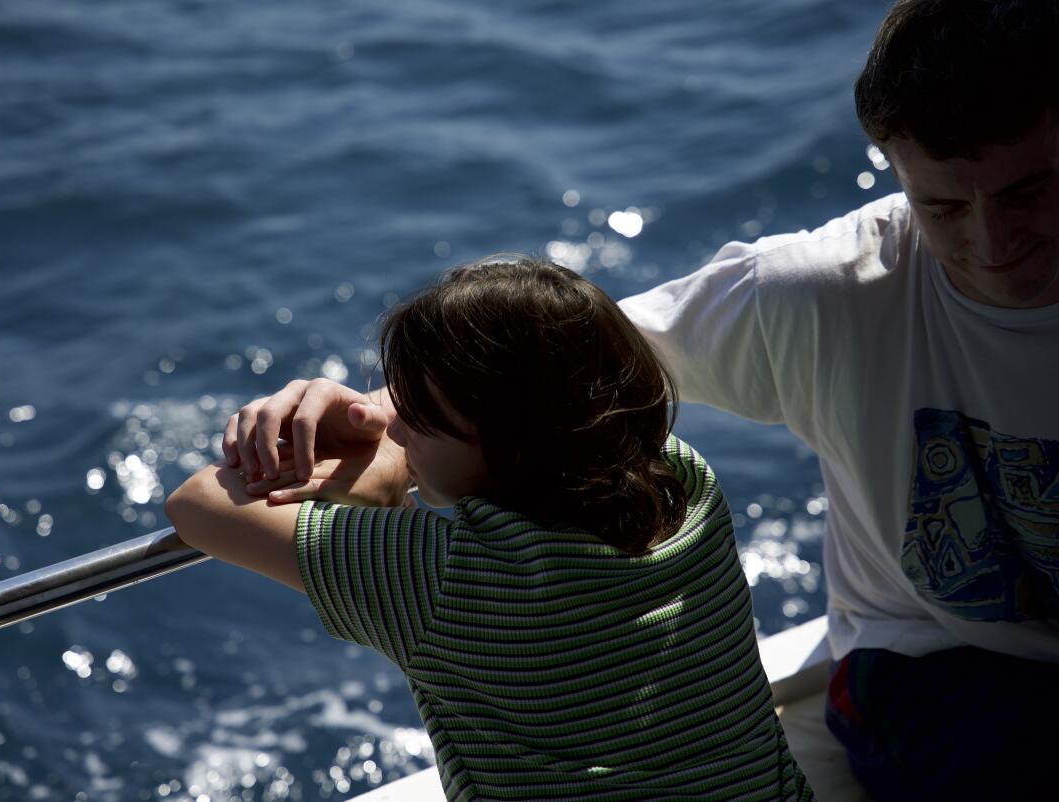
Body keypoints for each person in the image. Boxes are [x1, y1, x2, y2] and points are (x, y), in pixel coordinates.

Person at [226, 3, 1059, 800]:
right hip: (933, 667)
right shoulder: (818, 295)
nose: (991, 243)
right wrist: (379, 414)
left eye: (1028, 193)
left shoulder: (441, 584)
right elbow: (554, 374)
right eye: (942, 205)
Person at [167, 257, 816, 801]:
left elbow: (197, 505)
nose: (393, 426)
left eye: (420, 416)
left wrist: (381, 464)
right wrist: (410, 437)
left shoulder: (447, 577)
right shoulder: (684, 483)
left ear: (510, 444)